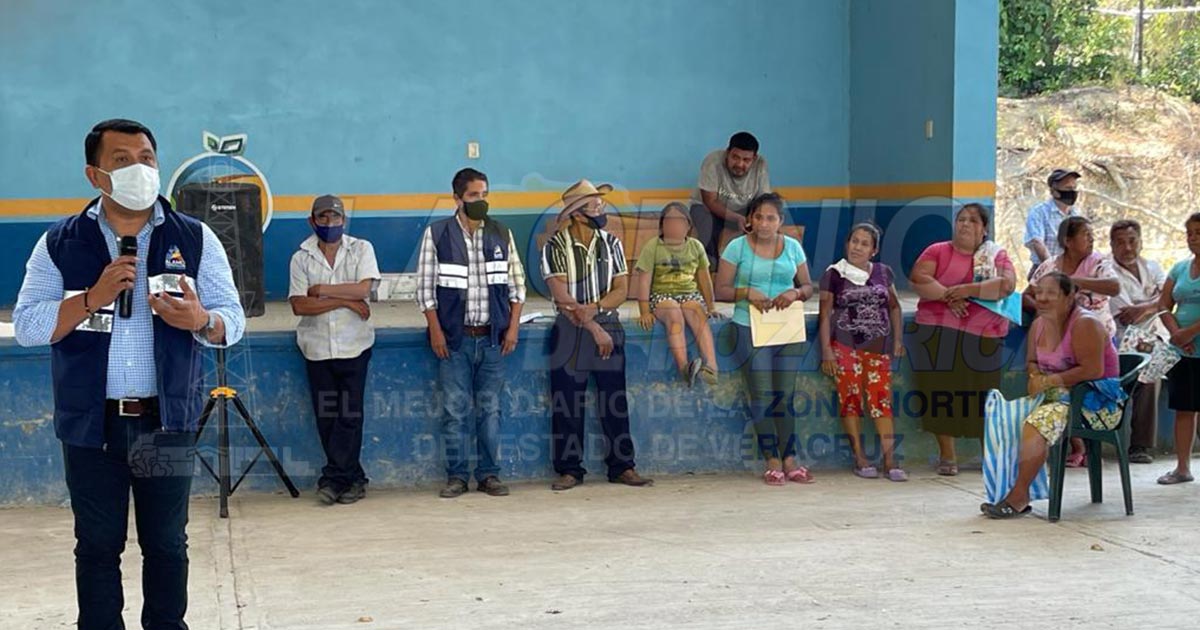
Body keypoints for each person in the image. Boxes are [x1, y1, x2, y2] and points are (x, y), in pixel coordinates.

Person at [12, 118, 246, 629]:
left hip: (165, 423)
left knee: (166, 545)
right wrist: (91, 298)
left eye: (147, 158)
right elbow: (27, 325)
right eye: (122, 160)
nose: (139, 168)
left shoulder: (196, 238)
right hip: (92, 427)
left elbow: (235, 318)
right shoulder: (60, 243)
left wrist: (203, 320)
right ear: (95, 176)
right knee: (97, 546)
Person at [416, 168, 526, 498]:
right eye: (474, 196)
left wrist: (513, 329)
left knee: (490, 410)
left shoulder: (500, 234)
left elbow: (516, 286)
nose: (481, 201)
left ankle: (489, 475)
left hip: (492, 339)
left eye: (484, 194)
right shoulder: (437, 235)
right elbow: (424, 290)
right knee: (454, 411)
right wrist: (435, 331)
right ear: (457, 198)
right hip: (454, 340)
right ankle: (457, 476)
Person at [982, 272, 1125, 519]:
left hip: (1094, 403)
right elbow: (1031, 361)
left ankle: (1019, 496)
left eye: (1051, 293)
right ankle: (1002, 490)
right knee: (1002, 418)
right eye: (1039, 293)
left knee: (1035, 424)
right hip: (1056, 396)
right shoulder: (1039, 324)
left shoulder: (1085, 324)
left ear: (1070, 297)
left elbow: (1093, 370)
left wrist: (1050, 381)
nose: (1043, 299)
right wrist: (1036, 376)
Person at [541, 179, 653, 491]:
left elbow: (621, 289)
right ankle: (569, 470)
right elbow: (562, 296)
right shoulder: (555, 247)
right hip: (570, 330)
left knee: (614, 400)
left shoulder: (612, 243)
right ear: (578, 214)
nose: (601, 209)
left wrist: (595, 308)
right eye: (595, 205)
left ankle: (622, 466)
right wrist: (592, 324)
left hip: (606, 321)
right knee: (567, 403)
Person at [714, 192, 815, 485]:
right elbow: (720, 290)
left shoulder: (793, 247)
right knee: (761, 396)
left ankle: (791, 459)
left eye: (771, 218)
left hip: (786, 327)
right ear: (749, 220)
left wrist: (794, 293)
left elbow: (808, 286)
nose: (764, 223)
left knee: (785, 395)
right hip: (749, 326)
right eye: (758, 217)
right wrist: (747, 293)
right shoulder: (737, 248)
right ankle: (771, 459)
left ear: (780, 221)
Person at [909, 203, 1017, 476]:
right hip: (937, 332)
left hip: (983, 337)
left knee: (983, 396)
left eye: (972, 221)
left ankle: (988, 455)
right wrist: (949, 296)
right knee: (939, 393)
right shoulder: (937, 251)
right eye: (961, 219)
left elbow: (1006, 286)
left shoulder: (995, 256)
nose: (965, 225)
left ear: (984, 229)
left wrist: (966, 291)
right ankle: (948, 455)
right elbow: (919, 277)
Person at [288, 194, 381, 505]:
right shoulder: (301, 257)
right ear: (312, 221)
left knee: (350, 416)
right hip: (317, 349)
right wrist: (345, 301)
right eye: (323, 218)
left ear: (344, 220)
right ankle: (353, 479)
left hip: (354, 347)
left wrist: (323, 291)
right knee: (328, 415)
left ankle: (334, 478)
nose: (330, 223)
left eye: (335, 218)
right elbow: (300, 304)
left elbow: (364, 289)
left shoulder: (361, 249)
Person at [817, 223, 907, 481]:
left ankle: (890, 459)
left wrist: (897, 339)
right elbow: (825, 314)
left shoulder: (883, 273)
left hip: (879, 348)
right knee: (851, 401)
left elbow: (895, 307)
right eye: (854, 241)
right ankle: (860, 457)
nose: (857, 247)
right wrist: (826, 351)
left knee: (881, 402)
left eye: (864, 243)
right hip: (845, 348)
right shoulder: (834, 274)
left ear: (874, 250)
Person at [634, 201, 720, 386]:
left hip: (689, 294)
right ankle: (684, 368)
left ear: (688, 226)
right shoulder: (653, 247)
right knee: (674, 313)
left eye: (679, 221)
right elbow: (644, 281)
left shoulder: (695, 246)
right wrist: (644, 310)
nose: (674, 226)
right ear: (662, 226)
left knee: (696, 312)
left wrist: (711, 306)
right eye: (669, 222)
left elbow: (704, 279)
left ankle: (711, 367)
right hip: (662, 295)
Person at [1108, 219, 1166, 464]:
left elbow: (1169, 298)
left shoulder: (1152, 267)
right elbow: (1125, 314)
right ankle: (1139, 446)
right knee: (1146, 375)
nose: (1127, 248)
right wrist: (1156, 302)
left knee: (1188, 370)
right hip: (1122, 344)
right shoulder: (1107, 271)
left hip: (1158, 340)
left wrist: (1147, 305)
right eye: (1120, 243)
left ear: (1140, 242)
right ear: (1111, 245)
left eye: (1132, 241)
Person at [1156, 212, 1200, 485]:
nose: (1193, 238)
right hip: (1182, 351)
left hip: (1192, 339)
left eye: (1199, 232)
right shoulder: (1180, 268)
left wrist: (1190, 332)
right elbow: (1163, 304)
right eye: (1190, 233)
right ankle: (1182, 467)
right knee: (1184, 408)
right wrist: (1176, 333)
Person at [689, 132, 771, 270]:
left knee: (763, 223)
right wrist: (736, 218)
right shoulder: (713, 161)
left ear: (754, 159)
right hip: (708, 208)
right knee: (707, 225)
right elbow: (710, 201)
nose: (739, 164)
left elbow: (763, 201)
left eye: (746, 160)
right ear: (727, 152)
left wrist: (752, 219)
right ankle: (711, 267)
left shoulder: (761, 165)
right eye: (735, 157)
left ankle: (752, 269)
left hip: (743, 211)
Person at [1024, 168, 1083, 274]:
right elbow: (1037, 242)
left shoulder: (1076, 214)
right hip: (1044, 271)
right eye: (1068, 188)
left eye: (1074, 188)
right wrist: (1053, 270)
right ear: (1054, 191)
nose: (1072, 192)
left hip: (1072, 271)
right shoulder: (1039, 212)